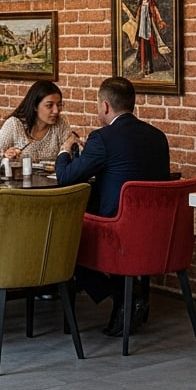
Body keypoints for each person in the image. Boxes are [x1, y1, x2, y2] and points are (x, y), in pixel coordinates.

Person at [54, 76, 170, 336]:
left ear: (105, 106)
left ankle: (122, 294)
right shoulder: (157, 137)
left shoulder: (102, 138)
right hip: (158, 234)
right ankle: (129, 295)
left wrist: (65, 150)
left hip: (119, 233)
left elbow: (66, 178)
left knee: (67, 241)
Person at [0, 80, 73, 165]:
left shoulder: (61, 123)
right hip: (19, 176)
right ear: (35, 106)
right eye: (49, 105)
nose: (56, 111)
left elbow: (71, 159)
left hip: (54, 177)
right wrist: (5, 158)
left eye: (59, 105)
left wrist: (73, 147)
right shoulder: (15, 124)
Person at [134, 0, 170, 77]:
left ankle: (151, 67)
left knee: (151, 44)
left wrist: (159, 19)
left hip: (149, 22)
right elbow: (139, 7)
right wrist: (137, 19)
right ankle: (143, 68)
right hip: (142, 24)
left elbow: (154, 7)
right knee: (142, 45)